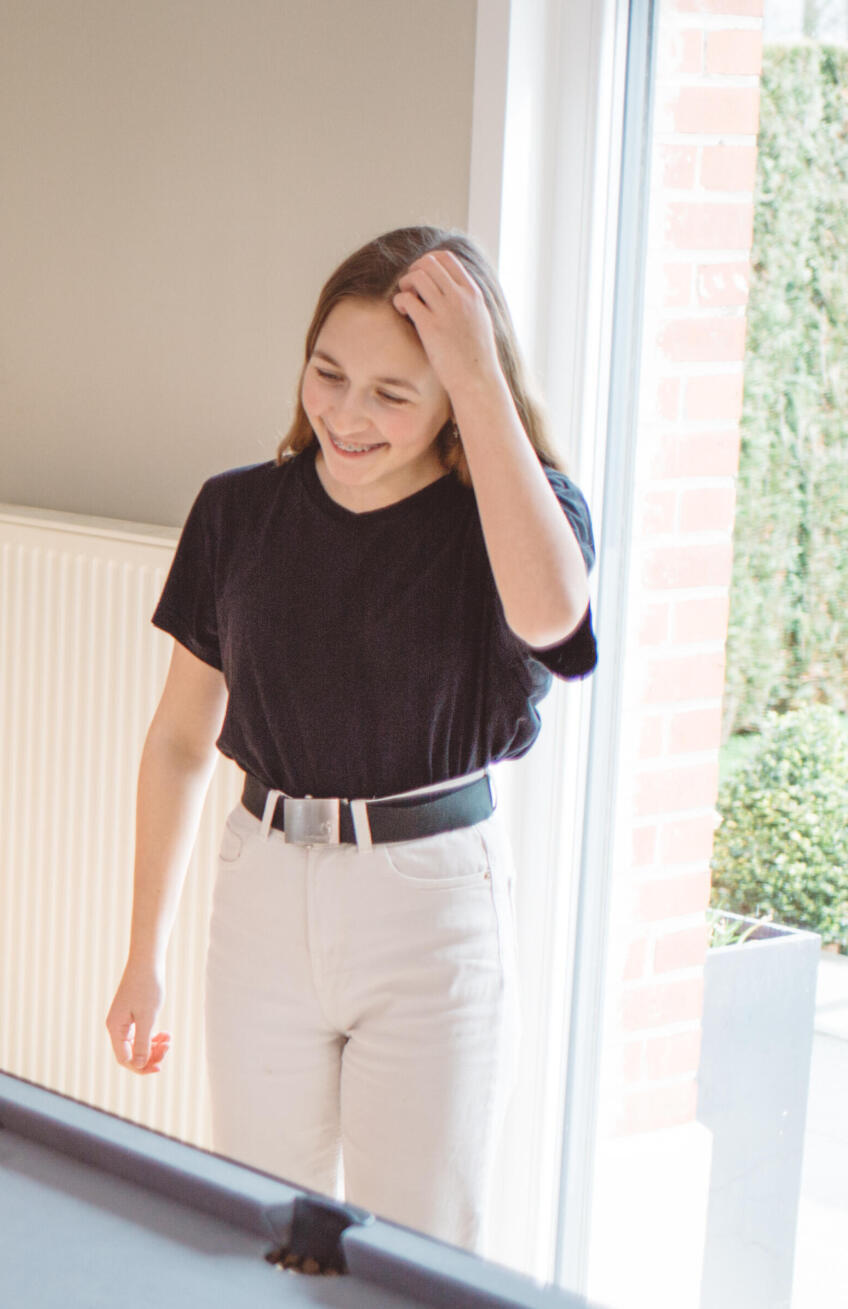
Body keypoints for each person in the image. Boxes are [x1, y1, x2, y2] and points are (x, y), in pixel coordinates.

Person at [103, 226, 597, 1251]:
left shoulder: (512, 520)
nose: (346, 414)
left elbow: (555, 618)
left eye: (394, 392)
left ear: (458, 400)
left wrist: (473, 364)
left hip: (430, 910)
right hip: (263, 893)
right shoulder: (237, 512)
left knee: (417, 1250)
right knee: (262, 1236)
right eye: (328, 374)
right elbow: (180, 742)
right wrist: (142, 951)